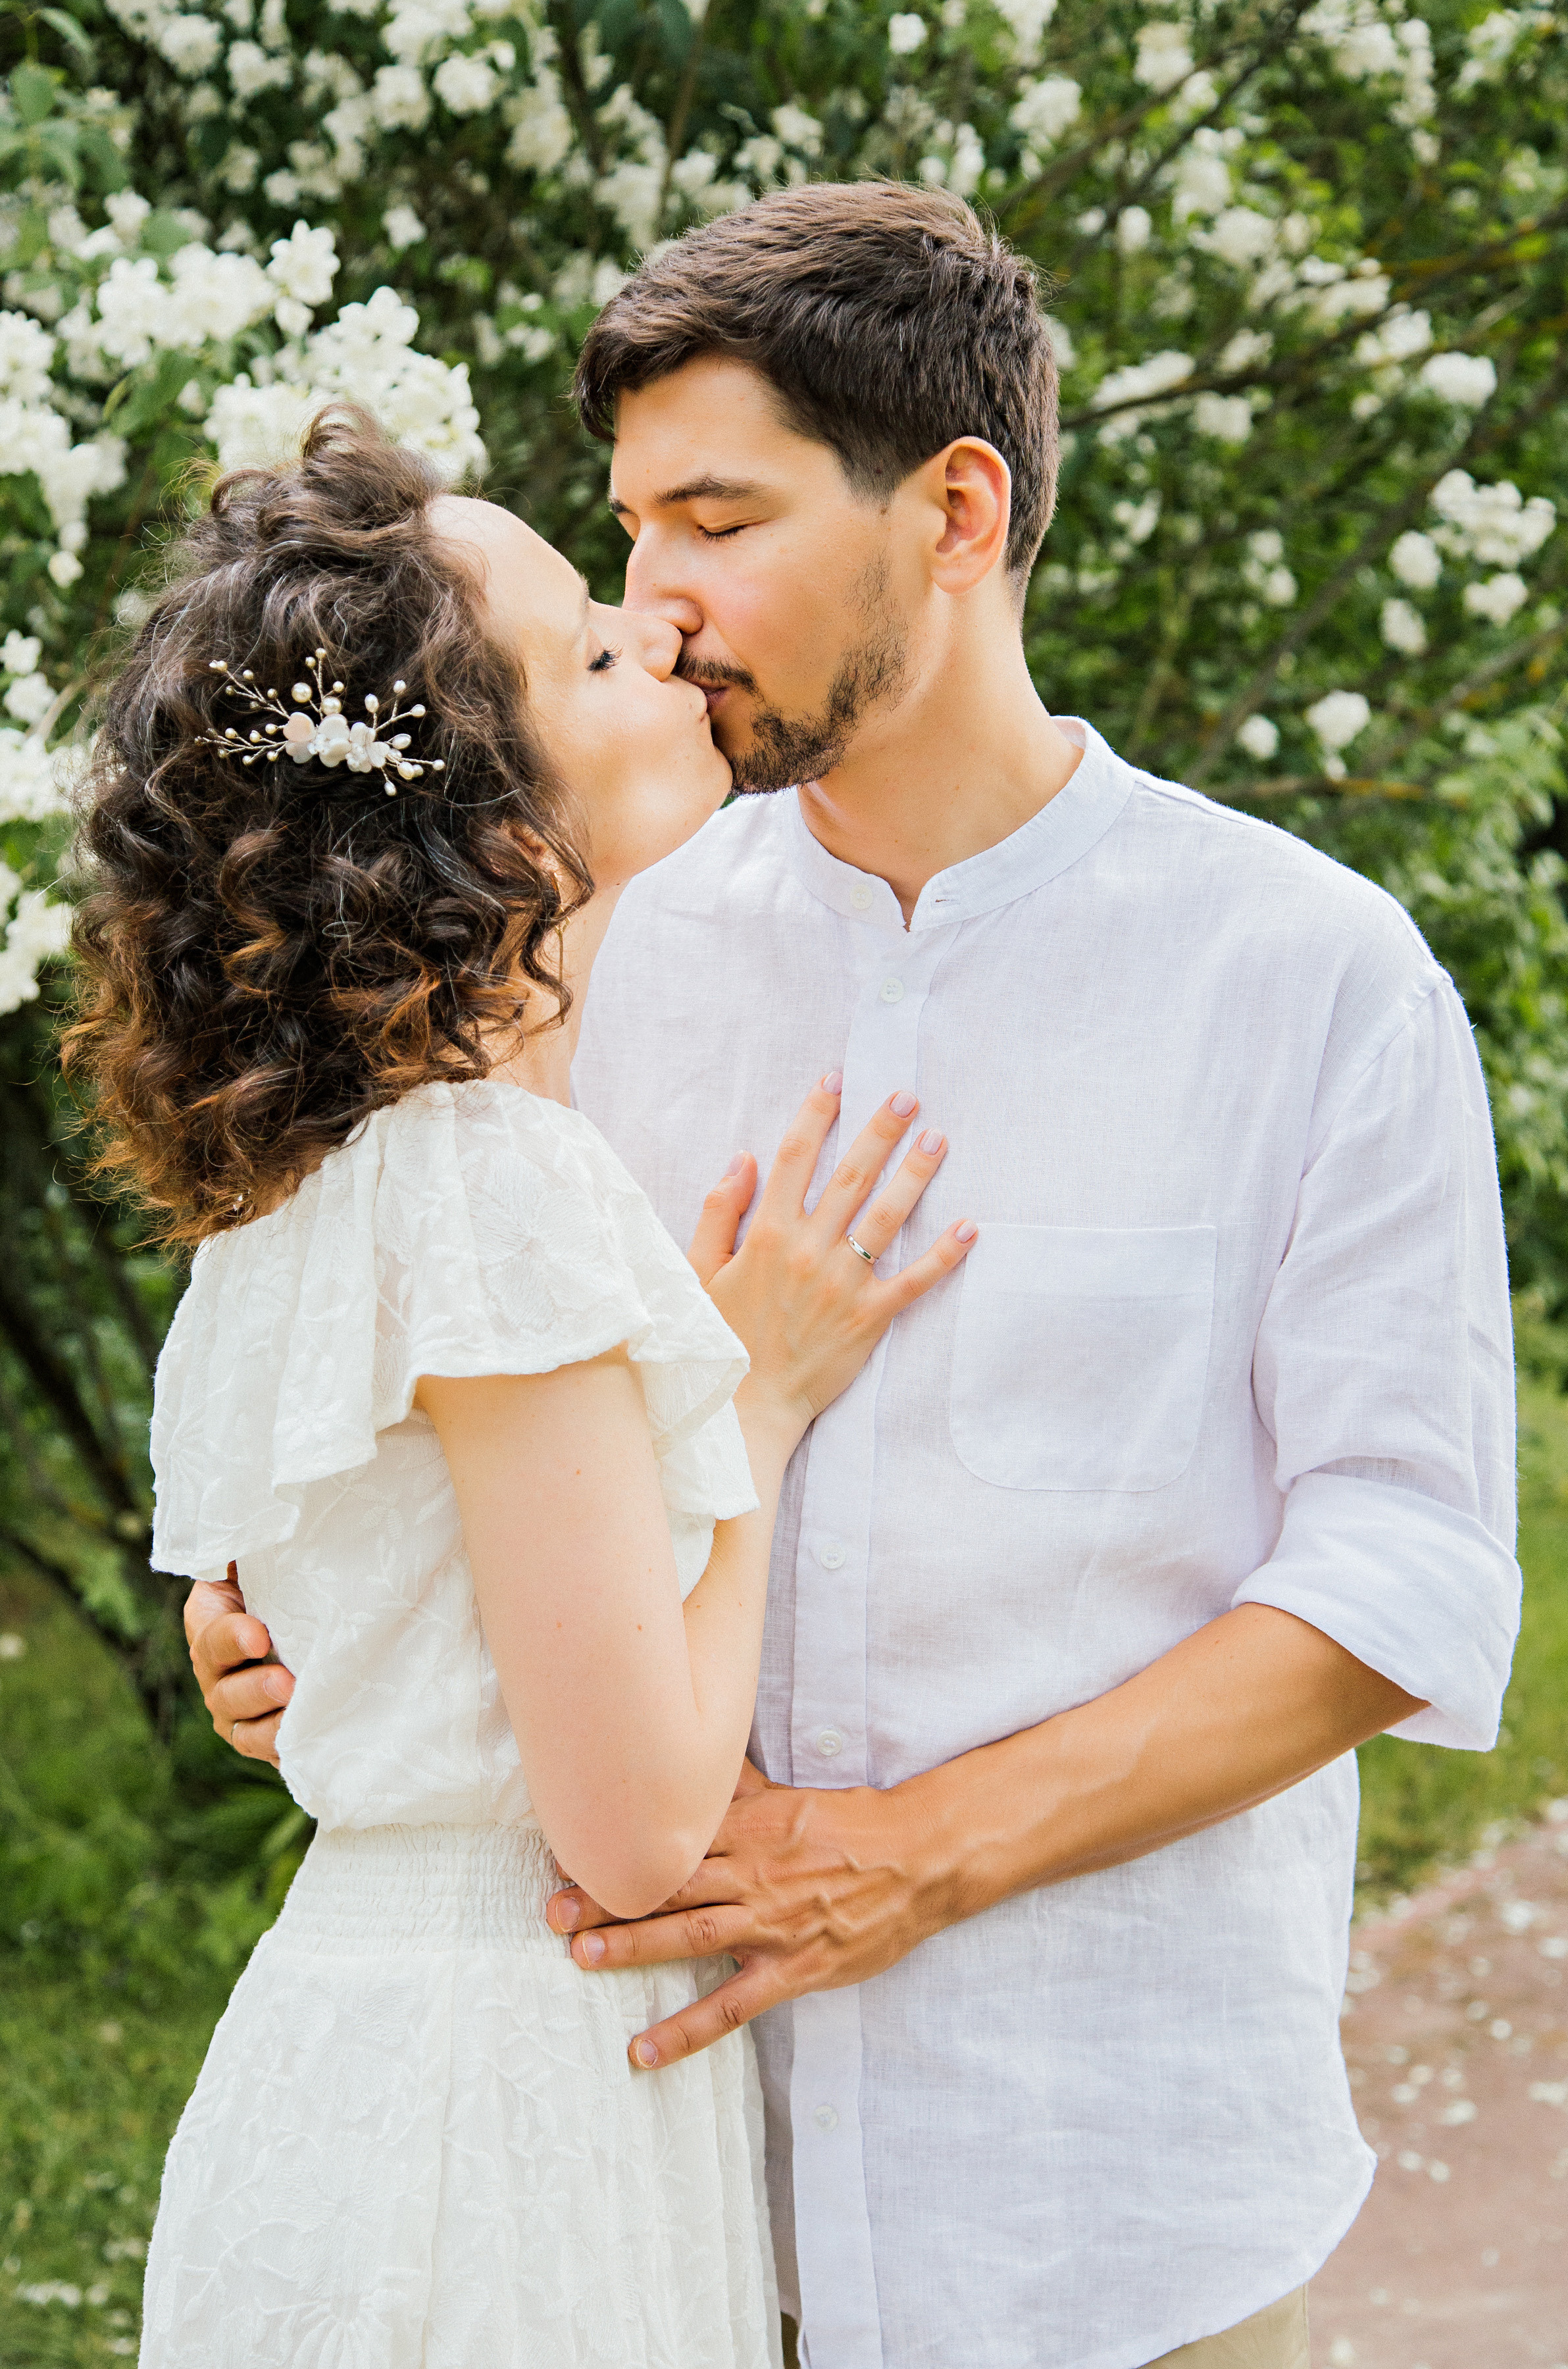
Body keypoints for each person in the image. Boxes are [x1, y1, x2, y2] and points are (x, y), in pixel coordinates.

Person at [188, 186, 1521, 2369]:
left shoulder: (1309, 977)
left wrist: (920, 1855)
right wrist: (297, 1602)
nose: (659, 604)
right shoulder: (584, 956)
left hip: (1112, 2203)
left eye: (716, 521)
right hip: (649, 2203)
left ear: (956, 512)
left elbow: (1410, 1568)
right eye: (627, 536)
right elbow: (440, 1381)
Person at [66, 403, 973, 2367]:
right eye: (588, 646)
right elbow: (637, 1831)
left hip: (355, 2050)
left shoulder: (314, 1177)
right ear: (496, 827)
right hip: (504, 2101)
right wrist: (762, 1394)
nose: (655, 632)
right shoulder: (490, 1181)